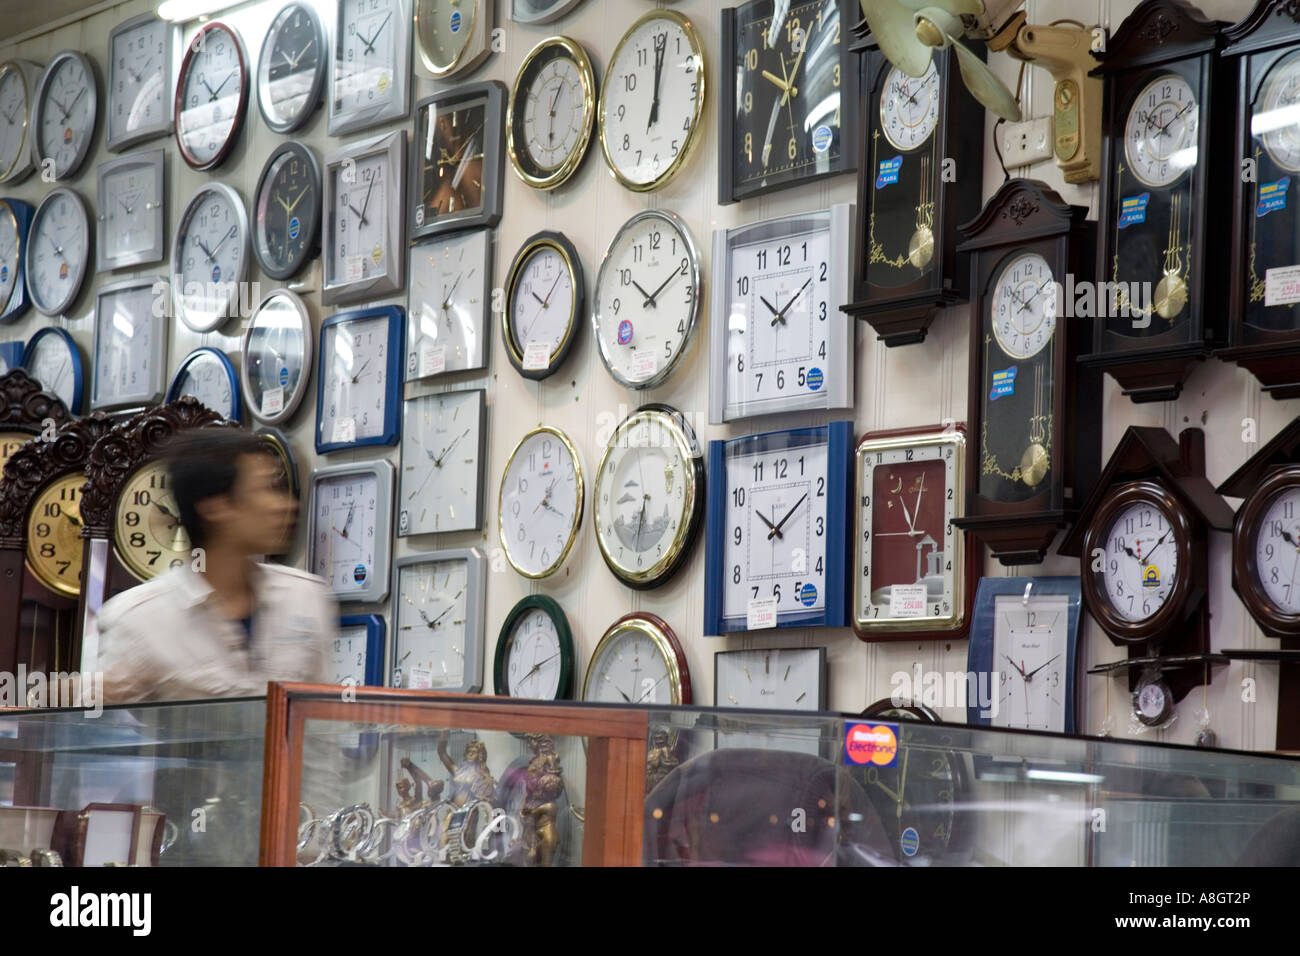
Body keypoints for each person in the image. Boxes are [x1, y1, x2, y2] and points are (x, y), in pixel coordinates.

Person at [96, 429, 337, 703]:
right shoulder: (137, 620)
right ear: (215, 508)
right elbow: (110, 735)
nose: (286, 506)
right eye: (267, 489)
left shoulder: (305, 596)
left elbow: (322, 726)